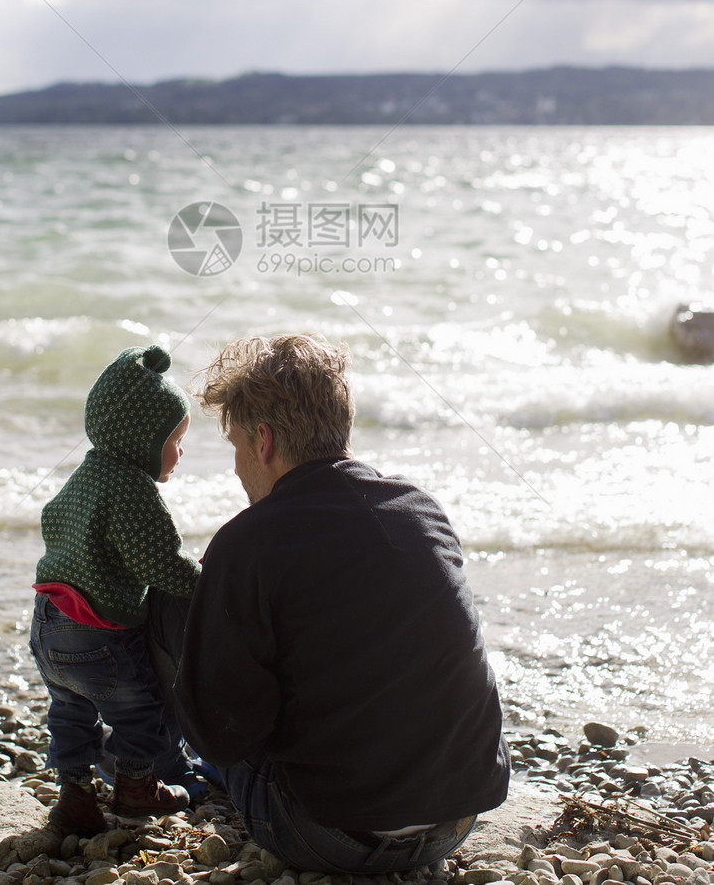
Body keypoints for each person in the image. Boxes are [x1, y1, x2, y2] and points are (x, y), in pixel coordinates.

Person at [173, 333, 510, 875]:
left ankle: (149, 775)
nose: (237, 468)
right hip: (456, 817)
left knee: (174, 607)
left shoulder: (247, 541)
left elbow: (222, 731)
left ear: (263, 441)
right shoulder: (420, 509)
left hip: (326, 835)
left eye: (235, 445)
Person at [29, 344, 201, 836]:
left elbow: (52, 522)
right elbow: (161, 564)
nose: (181, 452)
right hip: (98, 632)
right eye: (175, 440)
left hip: (48, 619)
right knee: (141, 708)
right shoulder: (134, 490)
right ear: (142, 439)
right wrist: (207, 583)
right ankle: (135, 789)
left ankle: (75, 795)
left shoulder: (87, 472)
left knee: (70, 709)